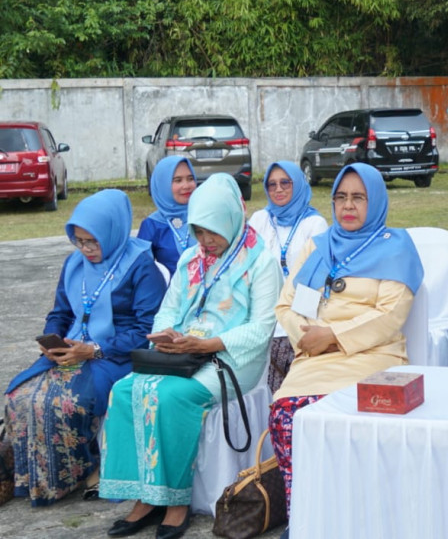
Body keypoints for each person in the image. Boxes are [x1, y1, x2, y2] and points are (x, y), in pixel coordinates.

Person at [100, 174, 279, 539]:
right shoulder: (190, 260)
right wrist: (167, 336)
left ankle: (175, 501)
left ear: (231, 218)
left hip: (232, 358)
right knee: (123, 390)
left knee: (173, 396)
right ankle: (144, 497)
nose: (206, 241)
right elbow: (168, 310)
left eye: (212, 231)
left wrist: (206, 344)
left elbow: (261, 330)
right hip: (182, 352)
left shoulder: (261, 264)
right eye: (198, 232)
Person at [269, 163, 423, 512]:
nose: (348, 206)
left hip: (372, 356)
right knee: (287, 416)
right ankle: (306, 516)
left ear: (377, 201)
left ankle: (357, 517)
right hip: (316, 358)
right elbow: (286, 305)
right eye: (341, 197)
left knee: (354, 427)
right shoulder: (318, 247)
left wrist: (333, 335)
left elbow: (390, 314)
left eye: (358, 198)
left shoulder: (396, 246)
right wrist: (309, 337)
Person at [5, 190, 166, 506]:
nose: (86, 249)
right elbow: (60, 313)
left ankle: (82, 469)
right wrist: (52, 342)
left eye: (93, 241)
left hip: (115, 355)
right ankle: (38, 479)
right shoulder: (74, 264)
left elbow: (146, 330)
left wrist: (93, 350)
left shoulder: (140, 267)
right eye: (79, 241)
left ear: (113, 231)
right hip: (70, 353)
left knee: (67, 402)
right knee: (21, 397)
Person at [247, 162, 329, 393]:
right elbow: (247, 264)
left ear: (298, 184)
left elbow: (316, 277)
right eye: (272, 184)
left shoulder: (313, 223)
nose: (278, 189)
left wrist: (295, 325)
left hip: (299, 313)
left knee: (286, 377)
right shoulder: (260, 219)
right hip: (263, 312)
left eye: (285, 183)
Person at [138, 156, 197, 273]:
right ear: (163, 184)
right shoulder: (152, 225)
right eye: (178, 180)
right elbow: (141, 271)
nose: (186, 186)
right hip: (169, 290)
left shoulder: (205, 215)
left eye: (190, 179)